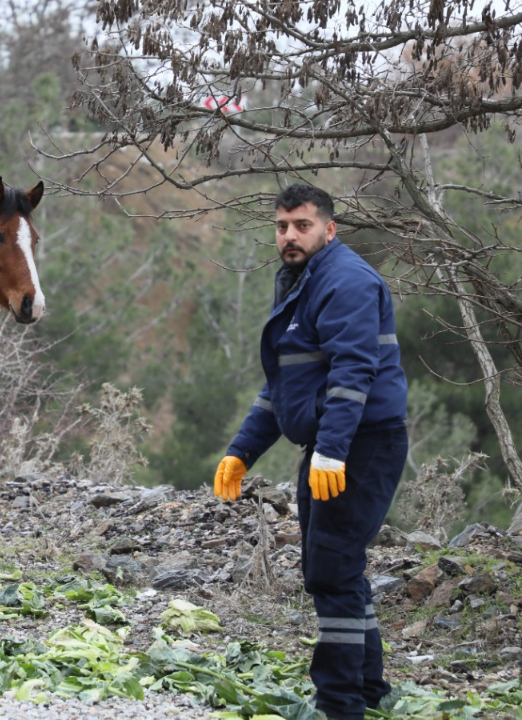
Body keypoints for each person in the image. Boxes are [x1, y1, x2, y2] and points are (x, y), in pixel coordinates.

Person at [211, 185, 409, 720]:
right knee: (336, 567)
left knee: (332, 569)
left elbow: (352, 375)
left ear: (329, 228)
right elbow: (286, 386)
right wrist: (242, 451)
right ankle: (370, 691)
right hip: (333, 444)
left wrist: (332, 451)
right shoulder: (302, 281)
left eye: (302, 225)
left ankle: (339, 706)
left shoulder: (345, 281)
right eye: (282, 227)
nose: (290, 236)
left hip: (361, 444)